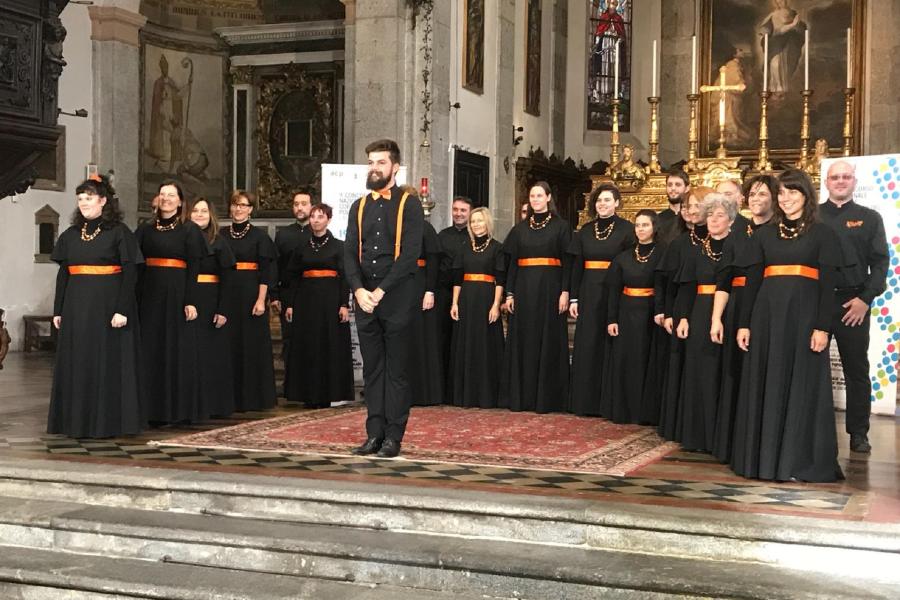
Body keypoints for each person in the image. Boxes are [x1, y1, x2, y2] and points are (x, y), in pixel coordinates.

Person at [731, 169, 844, 482]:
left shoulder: (824, 234)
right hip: (766, 320)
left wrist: (823, 327)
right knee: (766, 381)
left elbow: (828, 287)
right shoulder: (764, 235)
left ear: (806, 195)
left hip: (805, 321)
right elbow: (752, 282)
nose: (787, 198)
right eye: (781, 193)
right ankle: (763, 461)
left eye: (793, 192)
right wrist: (745, 325)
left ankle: (797, 462)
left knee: (801, 384)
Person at [344, 139, 424, 458]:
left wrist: (380, 290)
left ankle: (394, 436)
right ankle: (374, 433)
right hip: (365, 299)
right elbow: (349, 253)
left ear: (395, 168)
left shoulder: (409, 204)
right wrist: (359, 290)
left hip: (396, 297)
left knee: (397, 370)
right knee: (373, 369)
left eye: (380, 162)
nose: (374, 167)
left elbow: (409, 256)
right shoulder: (358, 206)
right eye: (371, 162)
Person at [49, 176, 145, 438]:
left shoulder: (119, 232)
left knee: (106, 363)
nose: (83, 203)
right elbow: (64, 274)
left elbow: (130, 273)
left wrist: (123, 309)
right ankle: (75, 422)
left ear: (103, 201)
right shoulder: (70, 235)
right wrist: (58, 310)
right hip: (76, 309)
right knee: (78, 361)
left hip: (108, 309)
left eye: (89, 198)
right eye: (80, 199)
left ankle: (107, 422)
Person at [820, 160, 889, 453]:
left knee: (856, 370)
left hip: (854, 303)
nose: (840, 181)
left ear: (854, 181)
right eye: (835, 177)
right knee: (813, 369)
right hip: (818, 302)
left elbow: (881, 263)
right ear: (826, 182)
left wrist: (865, 299)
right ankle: (815, 429)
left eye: (846, 177)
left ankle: (858, 433)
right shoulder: (813, 216)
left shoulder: (870, 218)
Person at [709, 175, 777, 462]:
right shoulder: (738, 233)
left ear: (775, 197)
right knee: (735, 375)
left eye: (763, 194)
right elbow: (723, 280)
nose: (757, 199)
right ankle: (734, 444)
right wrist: (716, 319)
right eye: (752, 194)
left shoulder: (781, 231)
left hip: (771, 309)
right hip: (738, 309)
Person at [135, 180, 207, 424]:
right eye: (162, 194)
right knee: (150, 349)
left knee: (175, 349)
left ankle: (176, 409)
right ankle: (149, 409)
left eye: (171, 195)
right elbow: (137, 264)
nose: (165, 198)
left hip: (177, 295)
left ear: (180, 201)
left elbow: (194, 267)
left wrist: (191, 300)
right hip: (150, 294)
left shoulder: (189, 230)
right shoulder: (145, 229)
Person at [500, 182, 572, 413]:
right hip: (523, 290)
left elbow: (568, 263)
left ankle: (547, 398)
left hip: (551, 290)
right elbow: (511, 265)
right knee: (524, 341)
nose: (535, 199)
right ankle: (522, 396)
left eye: (540, 195)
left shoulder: (561, 227)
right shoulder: (519, 229)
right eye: (532, 196)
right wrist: (509, 293)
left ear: (549, 197)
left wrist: (565, 292)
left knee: (547, 340)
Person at [673, 194, 736, 452]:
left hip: (729, 312)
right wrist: (683, 318)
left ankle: (721, 437)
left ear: (731, 220)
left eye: (720, 215)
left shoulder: (738, 246)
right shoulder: (697, 250)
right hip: (699, 312)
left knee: (722, 372)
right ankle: (699, 435)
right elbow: (687, 287)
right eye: (710, 214)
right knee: (700, 371)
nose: (713, 219)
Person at [568, 183, 636, 416]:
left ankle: (609, 402)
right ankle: (585, 402)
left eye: (607, 200)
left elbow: (632, 263)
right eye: (599, 200)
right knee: (588, 344)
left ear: (617, 203)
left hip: (615, 291)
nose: (602, 204)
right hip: (588, 291)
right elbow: (577, 266)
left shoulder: (628, 230)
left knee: (610, 344)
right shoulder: (585, 231)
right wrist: (574, 298)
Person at [284, 203, 354, 408]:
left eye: (320, 216)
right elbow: (293, 277)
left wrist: (343, 304)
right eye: (313, 216)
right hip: (306, 302)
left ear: (329, 220)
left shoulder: (339, 246)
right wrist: (290, 304)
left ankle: (330, 392)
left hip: (331, 302)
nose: (315, 220)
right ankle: (307, 393)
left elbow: (345, 278)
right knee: (308, 345)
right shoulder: (301, 247)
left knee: (329, 345)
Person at [657, 187, 711, 441]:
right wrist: (667, 312)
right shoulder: (678, 243)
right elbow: (668, 282)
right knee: (680, 364)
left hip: (710, 308)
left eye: (697, 205)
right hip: (681, 308)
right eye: (688, 206)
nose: (691, 210)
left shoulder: (720, 238)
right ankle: (680, 425)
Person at [602, 209, 665, 424]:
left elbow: (662, 286)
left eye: (645, 225)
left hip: (650, 315)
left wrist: (660, 311)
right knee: (626, 361)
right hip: (626, 312)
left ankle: (644, 412)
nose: (640, 229)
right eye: (637, 225)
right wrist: (612, 319)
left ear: (654, 227)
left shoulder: (663, 252)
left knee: (645, 362)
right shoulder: (624, 256)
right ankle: (624, 410)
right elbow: (614, 289)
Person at [219, 190, 278, 412]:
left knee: (251, 346)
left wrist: (261, 300)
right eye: (235, 205)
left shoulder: (260, 237)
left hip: (251, 295)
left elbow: (266, 272)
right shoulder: (222, 235)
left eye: (243, 205)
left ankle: (254, 398)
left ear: (251, 209)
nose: (238, 209)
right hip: (228, 294)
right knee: (228, 345)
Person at [448, 207, 506, 408]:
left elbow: (500, 280)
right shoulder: (464, 248)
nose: (476, 224)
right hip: (466, 299)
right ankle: (465, 395)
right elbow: (457, 279)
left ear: (487, 223)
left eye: (480, 221)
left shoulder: (497, 248)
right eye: (473, 221)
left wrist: (496, 305)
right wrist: (454, 303)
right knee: (466, 343)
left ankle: (486, 395)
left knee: (485, 345)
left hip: (486, 299)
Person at [185, 197, 236, 418]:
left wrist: (223, 309)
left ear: (211, 215)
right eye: (195, 211)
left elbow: (228, 276)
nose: (199, 215)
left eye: (203, 211)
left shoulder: (218, 241)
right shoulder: (182, 238)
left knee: (211, 356)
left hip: (211, 302)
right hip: (187, 300)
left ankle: (213, 406)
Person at [272, 190, 313, 396]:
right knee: (289, 341)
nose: (299, 208)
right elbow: (276, 267)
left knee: (311, 340)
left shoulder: (318, 233)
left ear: (312, 207)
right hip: (288, 294)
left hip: (313, 296)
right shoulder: (283, 235)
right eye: (296, 204)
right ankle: (290, 386)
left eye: (304, 204)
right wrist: (275, 296)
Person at [436, 196, 473, 385]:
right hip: (444, 293)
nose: (458, 214)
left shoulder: (475, 237)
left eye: (463, 210)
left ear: (470, 212)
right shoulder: (442, 235)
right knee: (444, 337)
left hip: (467, 294)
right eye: (455, 210)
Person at [409, 216, 444, 406]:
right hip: (399, 286)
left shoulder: (425, 228)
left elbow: (433, 260)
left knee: (422, 337)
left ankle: (423, 392)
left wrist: (430, 290)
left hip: (420, 285)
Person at [658, 169, 690, 234]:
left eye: (678, 185)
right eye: (669, 185)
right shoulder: (658, 219)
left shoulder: (691, 217)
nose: (673, 188)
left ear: (687, 188)